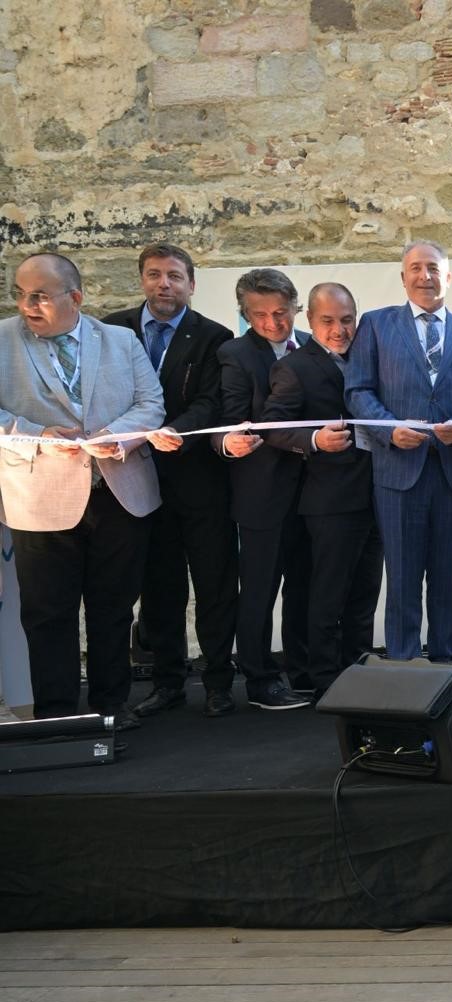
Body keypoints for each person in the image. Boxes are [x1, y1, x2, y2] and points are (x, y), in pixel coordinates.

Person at [0, 253, 164, 725]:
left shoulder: (120, 340)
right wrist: (38, 434)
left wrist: (117, 437)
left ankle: (111, 706)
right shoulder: (2, 340)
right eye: (20, 294)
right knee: (47, 612)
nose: (26, 305)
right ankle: (55, 714)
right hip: (40, 498)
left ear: (74, 297)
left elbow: (151, 403)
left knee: (113, 608)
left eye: (39, 296)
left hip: (119, 492)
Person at [103, 243, 239, 719]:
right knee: (159, 591)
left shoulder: (215, 336)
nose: (164, 284)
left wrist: (175, 432)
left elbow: (211, 403)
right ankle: (168, 684)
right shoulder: (112, 331)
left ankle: (219, 683)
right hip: (137, 481)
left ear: (191, 284)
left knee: (215, 586)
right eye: (155, 274)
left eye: (175, 276)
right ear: (142, 279)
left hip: (200, 483)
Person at [346, 240, 452, 663]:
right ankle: (404, 666)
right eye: (416, 268)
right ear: (403, 277)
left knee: (447, 578)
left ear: (448, 277)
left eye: (433, 268)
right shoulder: (376, 325)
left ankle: (446, 664)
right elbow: (358, 390)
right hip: (398, 471)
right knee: (403, 579)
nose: (425, 276)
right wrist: (390, 430)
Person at [259, 283, 383, 703]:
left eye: (347, 320)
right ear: (309, 320)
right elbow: (272, 426)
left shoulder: (369, 358)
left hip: (378, 494)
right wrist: (314, 439)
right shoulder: (294, 368)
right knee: (327, 594)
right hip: (329, 500)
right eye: (328, 321)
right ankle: (326, 679)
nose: (339, 330)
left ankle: (359, 669)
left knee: (365, 592)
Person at [216, 269, 312, 711]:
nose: (273, 323)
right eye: (259, 315)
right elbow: (230, 420)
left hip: (314, 491)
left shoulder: (313, 344)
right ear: (245, 315)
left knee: (305, 587)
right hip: (262, 492)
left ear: (295, 307)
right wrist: (229, 442)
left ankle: (304, 670)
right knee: (259, 590)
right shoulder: (234, 354)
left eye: (280, 312)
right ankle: (260, 680)